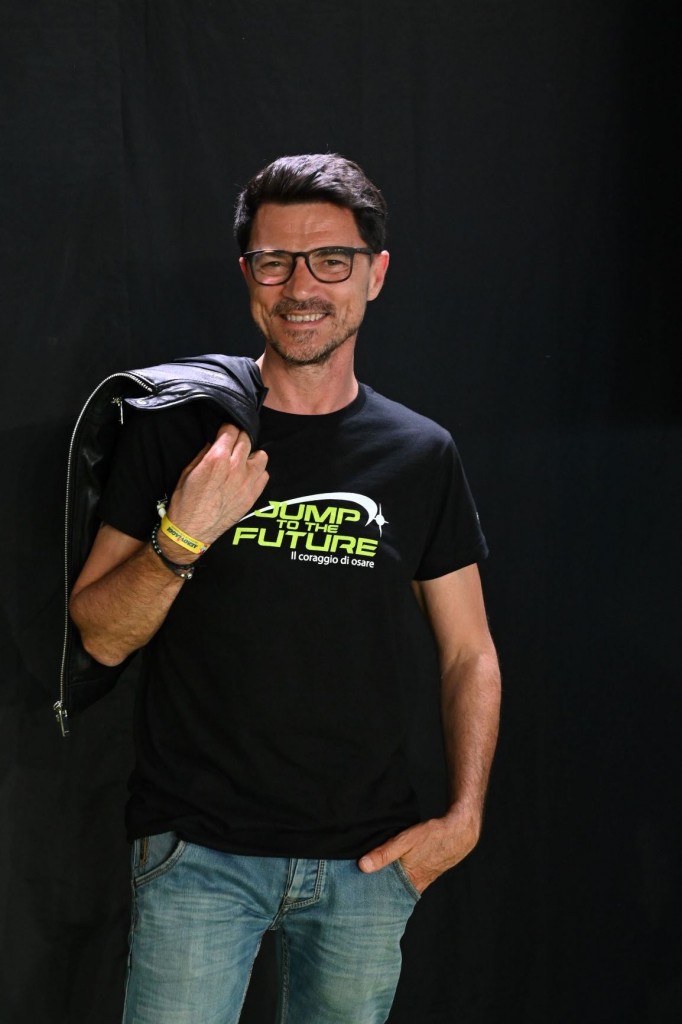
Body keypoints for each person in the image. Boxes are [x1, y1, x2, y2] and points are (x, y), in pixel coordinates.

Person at [69, 153, 501, 1024]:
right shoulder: (179, 429)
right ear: (247, 275)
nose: (302, 287)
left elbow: (469, 652)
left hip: (367, 866)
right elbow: (101, 633)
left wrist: (464, 819)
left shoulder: (421, 454)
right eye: (275, 261)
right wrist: (184, 533)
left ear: (376, 274)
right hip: (197, 857)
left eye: (331, 260)